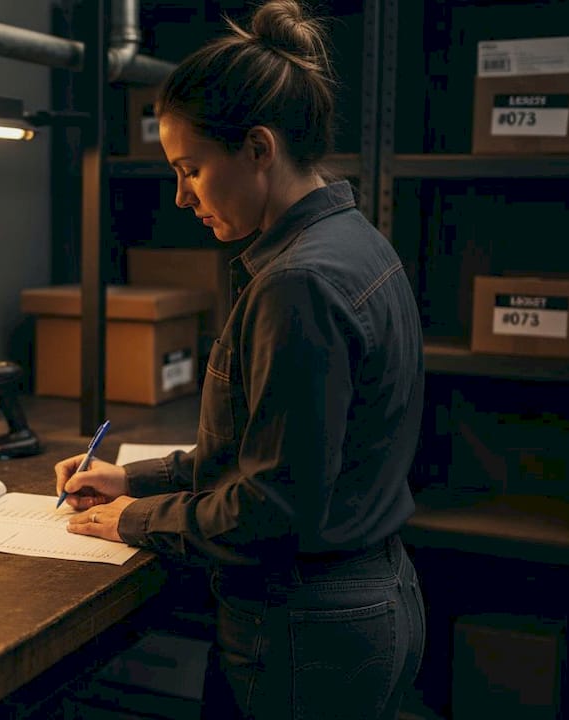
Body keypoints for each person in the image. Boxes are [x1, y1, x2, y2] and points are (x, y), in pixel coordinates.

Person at [53, 1, 426, 717]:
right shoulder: (354, 240)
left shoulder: (299, 284)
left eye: (191, 169)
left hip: (306, 630)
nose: (180, 196)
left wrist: (136, 518)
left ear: (258, 148)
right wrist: (132, 477)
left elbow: (271, 510)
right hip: (369, 601)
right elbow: (277, 455)